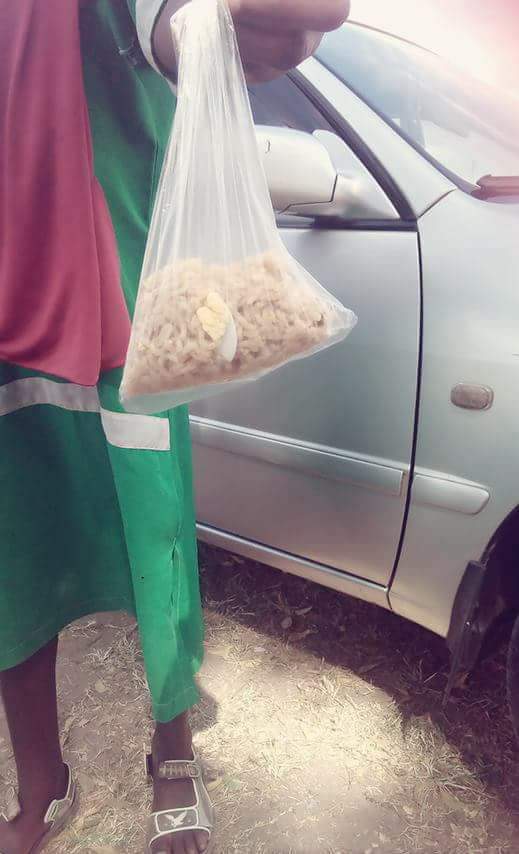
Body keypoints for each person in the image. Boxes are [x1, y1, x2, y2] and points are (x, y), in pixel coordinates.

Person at [0, 1, 350, 853]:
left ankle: (173, 754)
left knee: (157, 552)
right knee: (9, 563)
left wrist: (212, 25)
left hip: (124, 329)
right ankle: (41, 778)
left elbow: (173, 23)